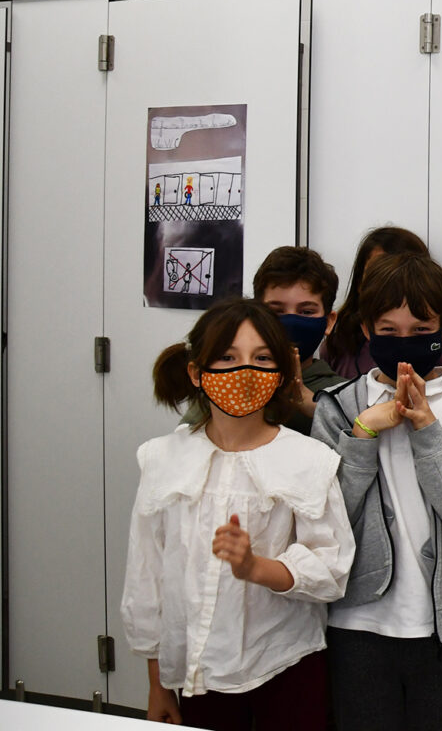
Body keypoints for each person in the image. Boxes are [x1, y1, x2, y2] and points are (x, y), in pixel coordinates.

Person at [122, 297, 354, 730]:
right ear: (197, 372)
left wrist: (256, 567)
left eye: (261, 358)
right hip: (199, 673)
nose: (244, 371)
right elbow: (146, 579)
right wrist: (158, 684)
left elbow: (331, 568)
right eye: (227, 357)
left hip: (286, 665)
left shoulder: (309, 459)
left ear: (280, 373)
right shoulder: (163, 458)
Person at [310, 252, 442, 731]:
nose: (404, 342)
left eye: (421, 330)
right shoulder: (338, 408)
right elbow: (322, 520)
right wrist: (361, 435)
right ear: (366, 329)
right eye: (388, 330)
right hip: (357, 625)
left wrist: (428, 433)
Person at [182, 246, 345, 435]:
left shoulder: (347, 395)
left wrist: (317, 408)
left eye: (306, 312)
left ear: (329, 322)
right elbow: (189, 440)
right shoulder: (226, 381)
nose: (291, 322)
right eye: (276, 311)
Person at [320, 226, 442, 379]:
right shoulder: (337, 347)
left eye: (420, 329)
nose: (390, 286)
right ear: (359, 282)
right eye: (376, 273)